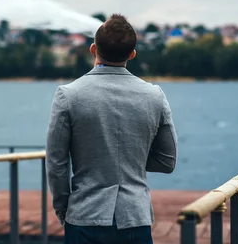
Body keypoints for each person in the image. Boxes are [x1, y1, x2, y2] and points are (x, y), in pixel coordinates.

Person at [45, 14, 177, 244]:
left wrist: (64, 210)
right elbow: (167, 162)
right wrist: (129, 158)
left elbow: (56, 163)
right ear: (132, 54)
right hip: (135, 218)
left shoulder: (68, 95)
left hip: (84, 216)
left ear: (93, 49)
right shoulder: (154, 96)